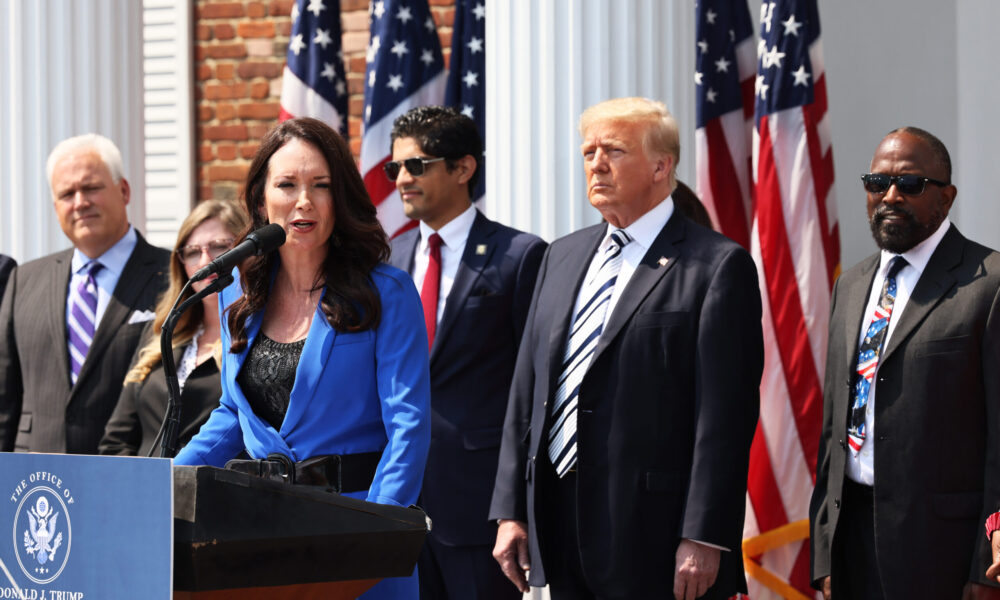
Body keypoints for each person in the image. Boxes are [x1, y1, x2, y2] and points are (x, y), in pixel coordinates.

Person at [489, 97, 762, 599]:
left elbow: (725, 416)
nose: (596, 162)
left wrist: (703, 534)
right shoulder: (561, 255)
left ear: (662, 166)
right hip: (559, 523)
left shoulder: (717, 266)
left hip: (656, 537)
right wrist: (511, 508)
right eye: (588, 150)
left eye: (614, 149)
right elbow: (526, 392)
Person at [173, 117, 431, 600]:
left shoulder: (386, 292)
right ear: (260, 199)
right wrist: (165, 487)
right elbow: (232, 414)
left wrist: (375, 534)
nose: (304, 201)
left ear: (341, 198)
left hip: (358, 534)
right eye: (287, 185)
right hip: (260, 541)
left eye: (321, 185)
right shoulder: (240, 300)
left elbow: (408, 426)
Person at [809, 127, 1000, 599]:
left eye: (910, 184)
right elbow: (834, 425)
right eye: (877, 182)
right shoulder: (850, 286)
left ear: (946, 196)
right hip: (851, 538)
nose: (890, 195)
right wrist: (825, 545)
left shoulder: (989, 284)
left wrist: (984, 560)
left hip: (943, 550)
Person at [385, 106, 546, 600]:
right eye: (395, 168)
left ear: (463, 168)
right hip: (396, 505)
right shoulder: (387, 260)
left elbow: (534, 389)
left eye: (417, 165)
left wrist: (514, 507)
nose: (402, 180)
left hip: (480, 511)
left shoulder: (519, 255)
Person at [0, 134, 170, 454]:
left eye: (91, 188)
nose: (80, 202)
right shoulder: (23, 280)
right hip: (36, 483)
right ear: (55, 207)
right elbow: (4, 400)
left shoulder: (172, 277)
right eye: (67, 193)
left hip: (125, 471)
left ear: (124, 191)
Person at [99, 200, 249, 456]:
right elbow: (117, 440)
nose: (205, 260)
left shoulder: (257, 336)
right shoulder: (162, 333)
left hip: (214, 490)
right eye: (192, 252)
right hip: (144, 489)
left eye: (220, 247)